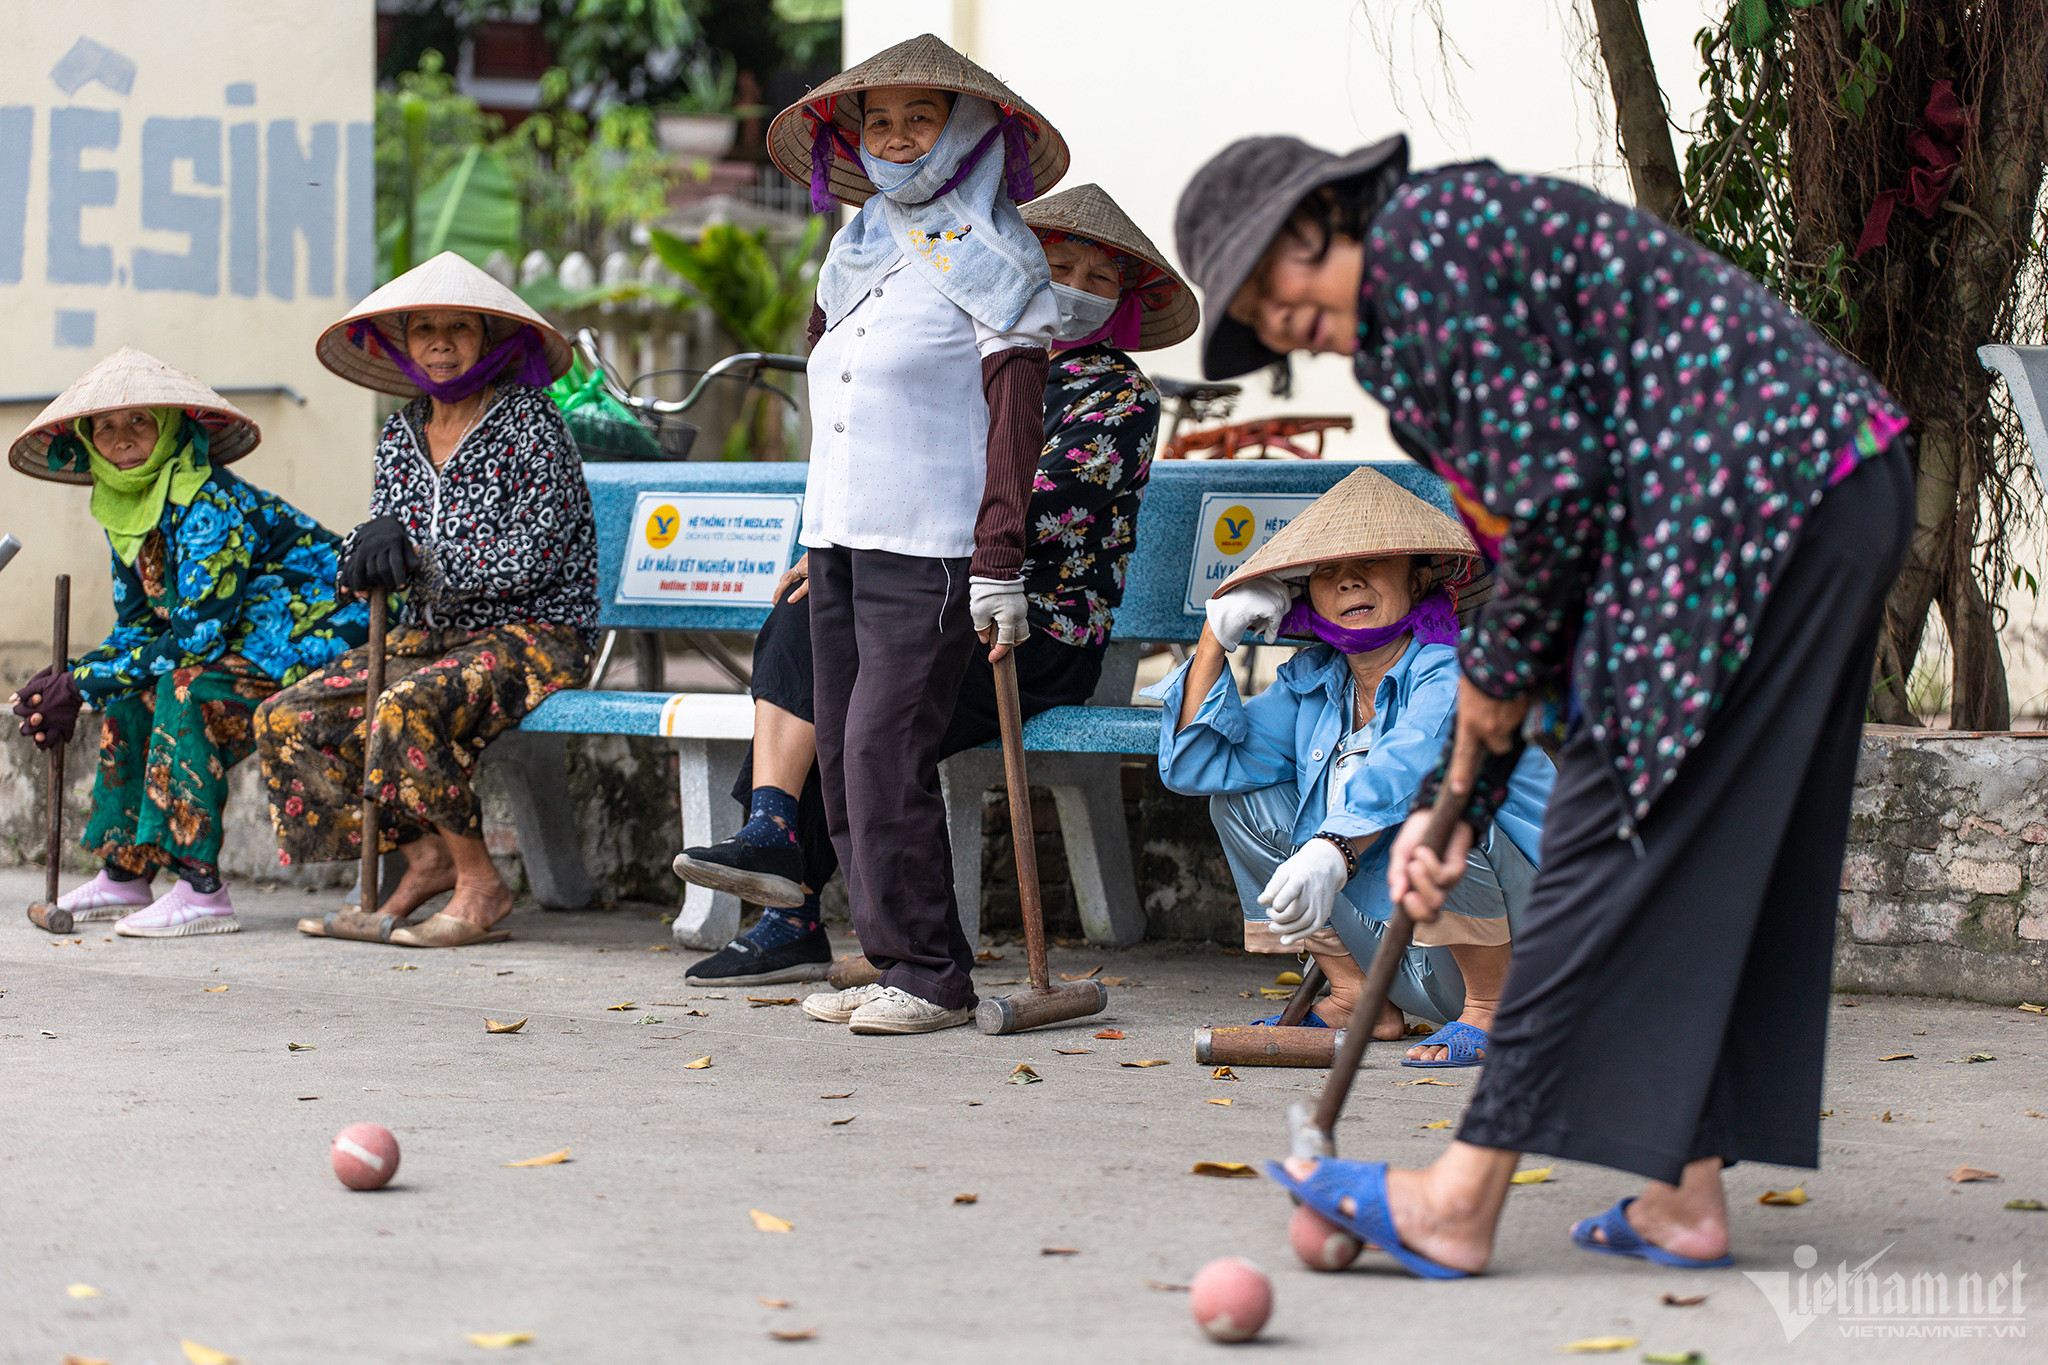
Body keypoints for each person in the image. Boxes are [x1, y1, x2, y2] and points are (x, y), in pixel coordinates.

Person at [1176, 136, 1911, 1275]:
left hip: (1760, 496)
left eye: (1273, 287)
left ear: (1321, 214)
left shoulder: (1427, 250)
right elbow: (1545, 554)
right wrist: (1448, 803)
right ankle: (1680, 1196)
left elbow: (1555, 516)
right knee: (1647, 823)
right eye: (1262, 326)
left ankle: (1457, 1200)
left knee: (1602, 833)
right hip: (1792, 497)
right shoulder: (1417, 325)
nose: (1281, 326)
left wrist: (1491, 689)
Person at [674, 182, 1192, 996]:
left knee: (869, 713)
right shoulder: (961, 352)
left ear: (1122, 301)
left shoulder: (1117, 395)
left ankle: (806, 920)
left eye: (1100, 277)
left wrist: (895, 537)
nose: (1074, 285)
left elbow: (1023, 500)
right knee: (807, 624)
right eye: (1059, 262)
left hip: (1030, 632)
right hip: (925, 595)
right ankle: (772, 833)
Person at [751, 35, 1067, 1033]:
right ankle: (894, 958)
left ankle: (931, 974)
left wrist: (998, 561)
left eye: (916, 118)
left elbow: (1016, 422)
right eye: (876, 120)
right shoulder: (851, 255)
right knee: (843, 757)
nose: (894, 138)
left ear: (966, 130)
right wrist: (808, 537)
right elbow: (831, 408)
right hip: (843, 543)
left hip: (930, 550)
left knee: (885, 753)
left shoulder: (1001, 258)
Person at [1147, 466, 1551, 1065]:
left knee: (1451, 806)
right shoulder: (1313, 684)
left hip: (1539, 953)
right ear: (1304, 593)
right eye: (1327, 571)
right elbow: (1194, 766)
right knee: (1241, 801)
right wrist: (1215, 637)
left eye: (1373, 562)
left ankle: (1492, 1012)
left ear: (1418, 581)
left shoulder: (1455, 670)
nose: (1349, 581)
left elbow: (1411, 764)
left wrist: (1331, 847)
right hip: (1405, 953)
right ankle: (1355, 993)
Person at [254, 251, 598, 949]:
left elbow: (533, 555)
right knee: (287, 717)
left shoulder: (531, 423)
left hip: (533, 632)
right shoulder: (400, 433)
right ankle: (428, 857)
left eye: (460, 328)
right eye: (424, 330)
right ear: (403, 343)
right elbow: (384, 538)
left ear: (489, 340)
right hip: (429, 635)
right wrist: (366, 551)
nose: (441, 343)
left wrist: (422, 560)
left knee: (404, 705)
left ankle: (482, 884)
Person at [6, 348, 367, 936]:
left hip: (318, 637)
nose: (123, 439)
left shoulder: (206, 500)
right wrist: (69, 679)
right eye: (107, 427)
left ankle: (202, 889)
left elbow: (196, 639)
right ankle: (124, 873)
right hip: (241, 647)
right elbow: (139, 630)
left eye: (140, 422)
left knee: (186, 688)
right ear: (90, 442)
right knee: (130, 698)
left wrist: (82, 681)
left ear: (172, 429)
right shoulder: (125, 509)